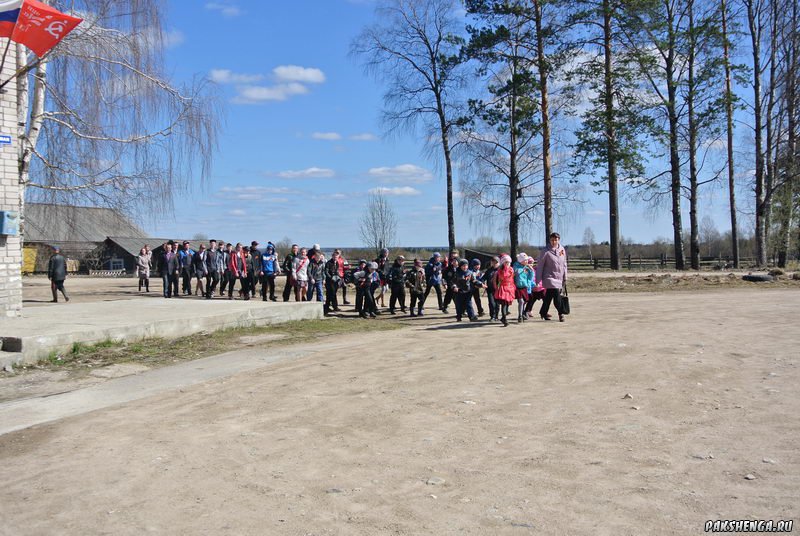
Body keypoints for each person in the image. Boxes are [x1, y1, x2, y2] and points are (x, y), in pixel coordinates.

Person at [535, 232, 568, 322]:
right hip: (548, 277)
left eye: (556, 240)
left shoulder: (562, 250)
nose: (554, 242)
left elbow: (564, 264)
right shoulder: (545, 251)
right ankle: (561, 313)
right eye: (552, 240)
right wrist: (538, 279)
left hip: (559, 277)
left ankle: (543, 312)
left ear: (558, 240)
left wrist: (565, 276)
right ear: (550, 240)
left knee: (549, 296)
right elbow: (540, 265)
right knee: (556, 295)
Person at [493, 254, 516, 327]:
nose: (507, 264)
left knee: (507, 304)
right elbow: (502, 277)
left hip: (510, 288)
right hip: (503, 288)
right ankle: (504, 319)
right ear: (503, 263)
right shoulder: (500, 270)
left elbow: (512, 278)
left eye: (508, 262)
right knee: (504, 304)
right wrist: (505, 269)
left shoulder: (511, 269)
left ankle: (503, 317)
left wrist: (513, 286)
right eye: (506, 262)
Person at [513, 253, 534, 322]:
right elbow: (517, 272)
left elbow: (530, 277)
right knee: (521, 301)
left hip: (524, 287)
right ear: (521, 261)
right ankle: (520, 316)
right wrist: (523, 269)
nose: (527, 262)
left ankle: (523, 313)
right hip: (518, 287)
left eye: (527, 260)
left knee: (524, 301)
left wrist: (531, 270)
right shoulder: (516, 266)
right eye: (525, 260)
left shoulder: (526, 267)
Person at [483, 256, 500, 322]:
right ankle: (492, 316)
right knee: (491, 303)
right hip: (490, 289)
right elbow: (483, 278)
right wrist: (482, 283)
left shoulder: (500, 270)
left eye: (496, 262)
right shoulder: (489, 270)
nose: (494, 263)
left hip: (498, 290)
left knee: (497, 304)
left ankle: (496, 316)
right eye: (493, 262)